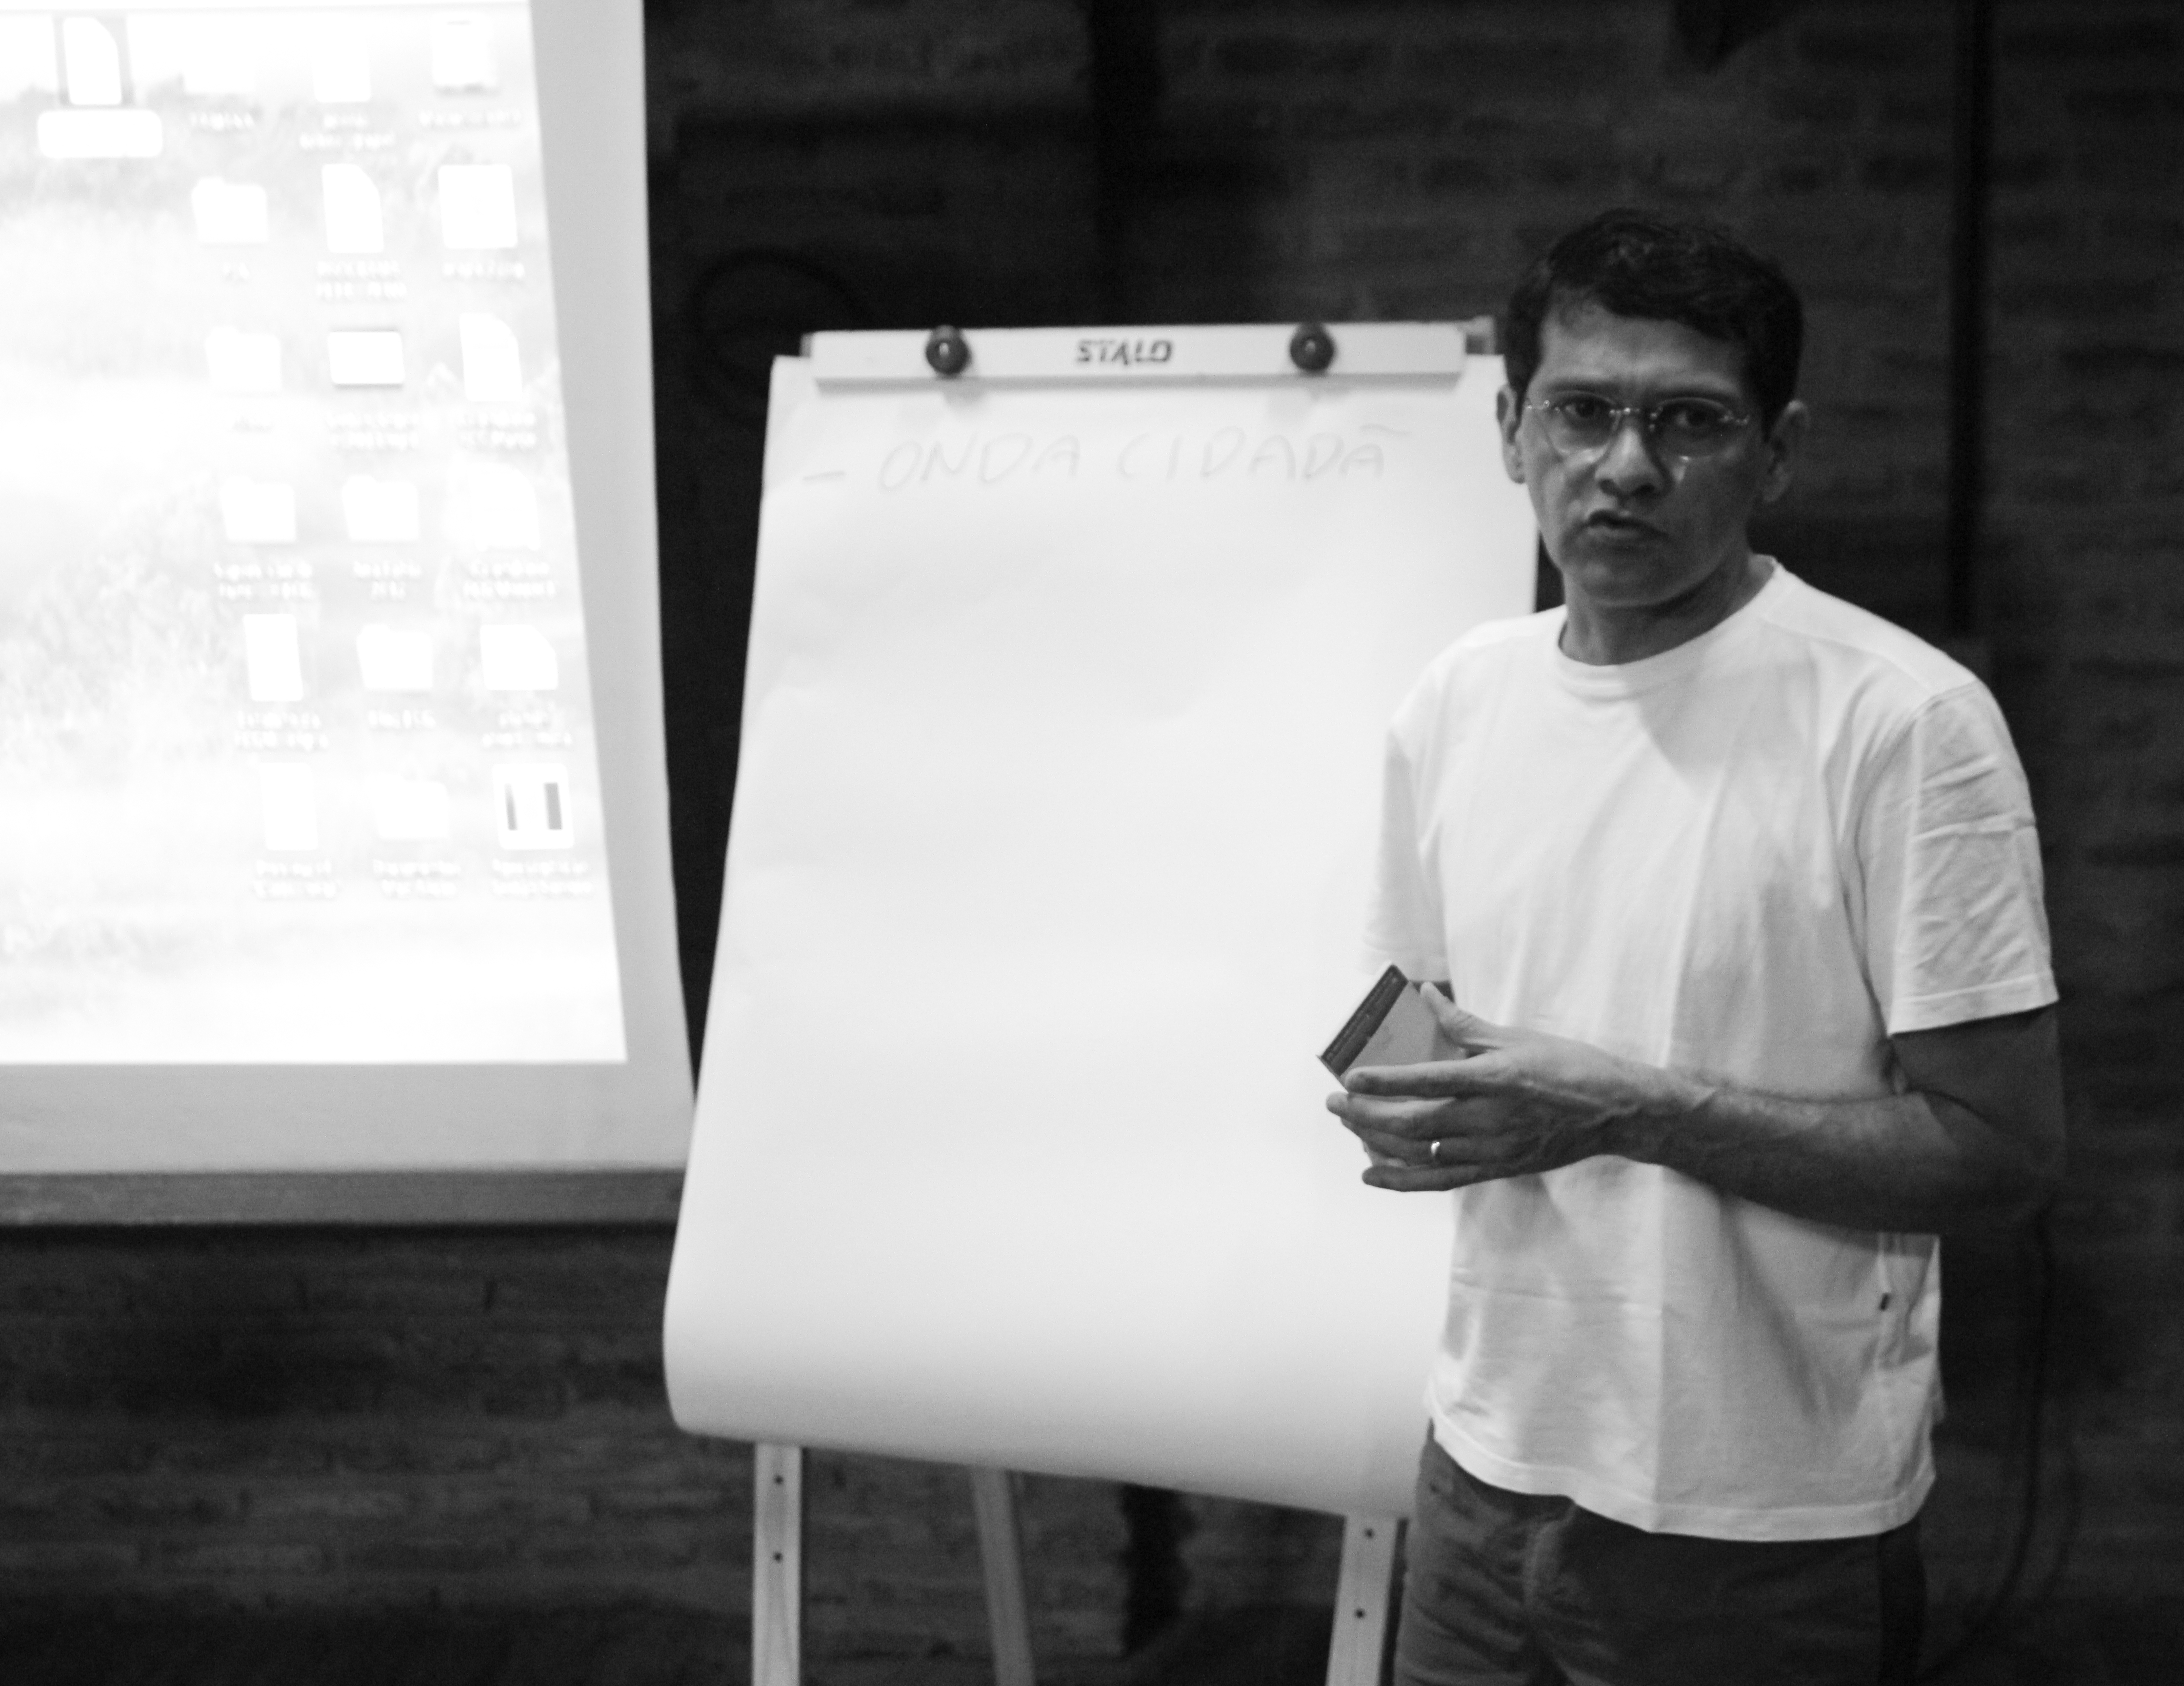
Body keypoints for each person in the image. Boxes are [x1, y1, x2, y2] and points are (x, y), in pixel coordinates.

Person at [1325, 209, 2064, 1686]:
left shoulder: (1903, 722)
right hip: (1481, 1474)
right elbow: (1426, 1018)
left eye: (1688, 421)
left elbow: (2000, 1156)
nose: (1626, 466)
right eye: (1581, 412)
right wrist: (1405, 1102)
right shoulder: (1459, 698)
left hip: (1761, 1523)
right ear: (1511, 430)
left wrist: (1627, 1109)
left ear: (1775, 453)